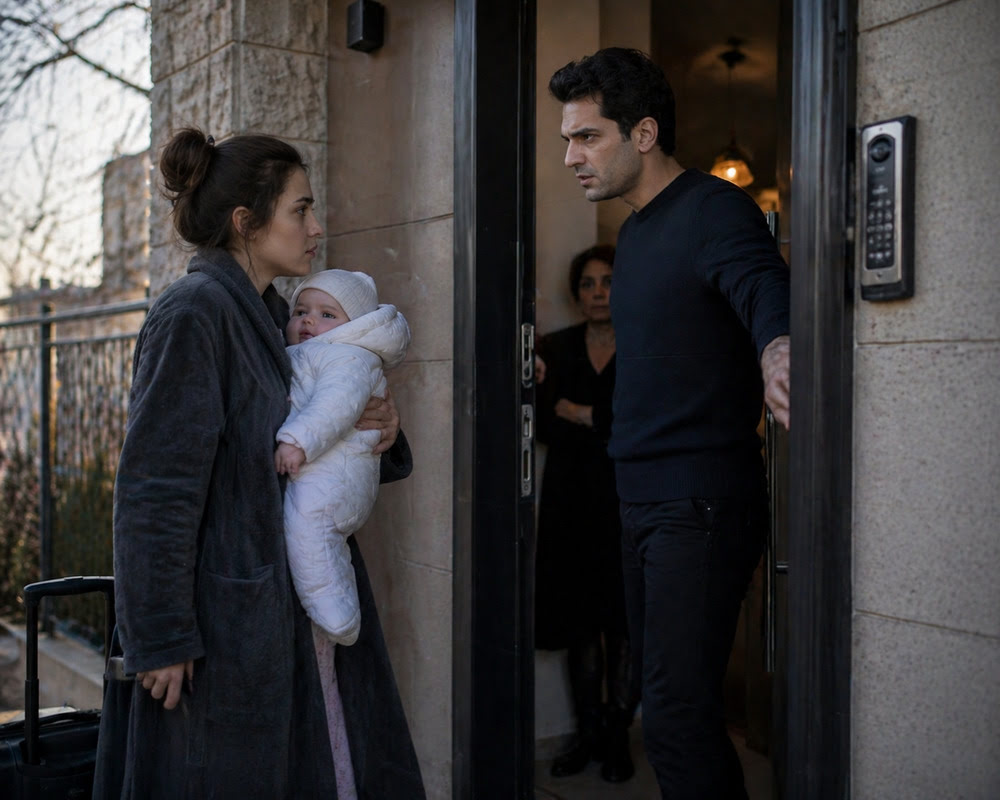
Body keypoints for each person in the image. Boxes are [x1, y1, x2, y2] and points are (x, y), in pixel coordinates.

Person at [94, 128, 426, 799]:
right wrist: (160, 636)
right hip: (225, 626)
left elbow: (322, 428)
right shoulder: (194, 313)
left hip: (289, 614)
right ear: (246, 222)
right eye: (300, 209)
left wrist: (382, 432)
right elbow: (156, 487)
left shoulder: (283, 319)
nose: (316, 227)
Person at [549, 48, 791, 799]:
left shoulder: (714, 210)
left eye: (587, 137)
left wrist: (780, 347)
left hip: (700, 501)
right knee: (668, 713)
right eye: (567, 139)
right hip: (641, 496)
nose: (570, 156)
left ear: (644, 133)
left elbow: (763, 285)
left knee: (678, 718)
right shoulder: (637, 233)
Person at [534, 244, 639, 783]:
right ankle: (588, 735)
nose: (599, 292)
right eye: (588, 283)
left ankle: (618, 737)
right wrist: (603, 421)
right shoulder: (555, 348)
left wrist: (585, 413)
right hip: (570, 506)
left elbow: (642, 422)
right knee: (579, 626)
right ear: (577, 294)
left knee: (623, 625)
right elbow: (543, 424)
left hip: (628, 504)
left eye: (609, 281)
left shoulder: (643, 346)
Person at [275, 268, 410, 648]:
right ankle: (337, 611)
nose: (308, 321)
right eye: (300, 311)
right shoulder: (316, 351)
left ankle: (338, 616)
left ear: (355, 326)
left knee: (310, 528)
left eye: (327, 314)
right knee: (319, 538)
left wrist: (296, 442)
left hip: (331, 475)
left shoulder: (346, 357)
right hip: (324, 471)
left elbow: (335, 406)